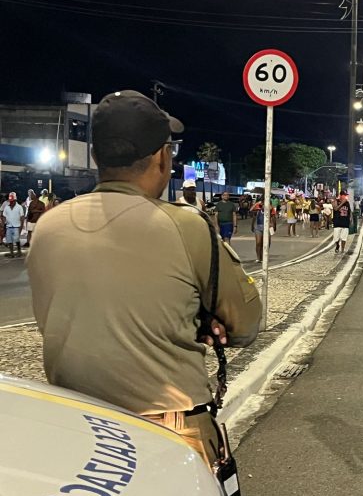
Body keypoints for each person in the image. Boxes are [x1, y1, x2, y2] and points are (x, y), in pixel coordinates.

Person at [27, 90, 262, 468]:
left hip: (78, 430)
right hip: (170, 429)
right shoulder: (186, 226)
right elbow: (247, 325)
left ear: (95, 156)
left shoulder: (48, 227)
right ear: (162, 157)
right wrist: (201, 321)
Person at [2, 192, 25, 258]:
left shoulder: (19, 207)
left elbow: (22, 217)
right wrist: (4, 223)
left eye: (12, 201)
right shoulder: (6, 207)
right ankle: (12, 253)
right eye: (10, 201)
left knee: (17, 240)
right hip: (9, 227)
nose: (11, 202)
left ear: (15, 200)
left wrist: (21, 227)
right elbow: (3, 216)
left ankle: (19, 251)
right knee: (9, 241)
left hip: (16, 227)